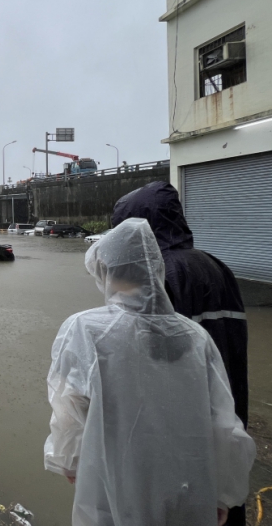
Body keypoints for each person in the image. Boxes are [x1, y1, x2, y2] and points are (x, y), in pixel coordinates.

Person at [44, 218, 255, 526]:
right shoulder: (195, 336)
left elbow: (69, 406)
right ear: (156, 268)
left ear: (106, 270)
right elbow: (222, 421)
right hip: (187, 492)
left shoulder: (86, 329)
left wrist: (70, 459)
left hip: (112, 487)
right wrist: (222, 493)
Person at [111, 182, 249, 526]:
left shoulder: (158, 273)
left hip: (183, 428)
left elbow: (154, 359)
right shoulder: (216, 265)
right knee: (225, 501)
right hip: (229, 404)